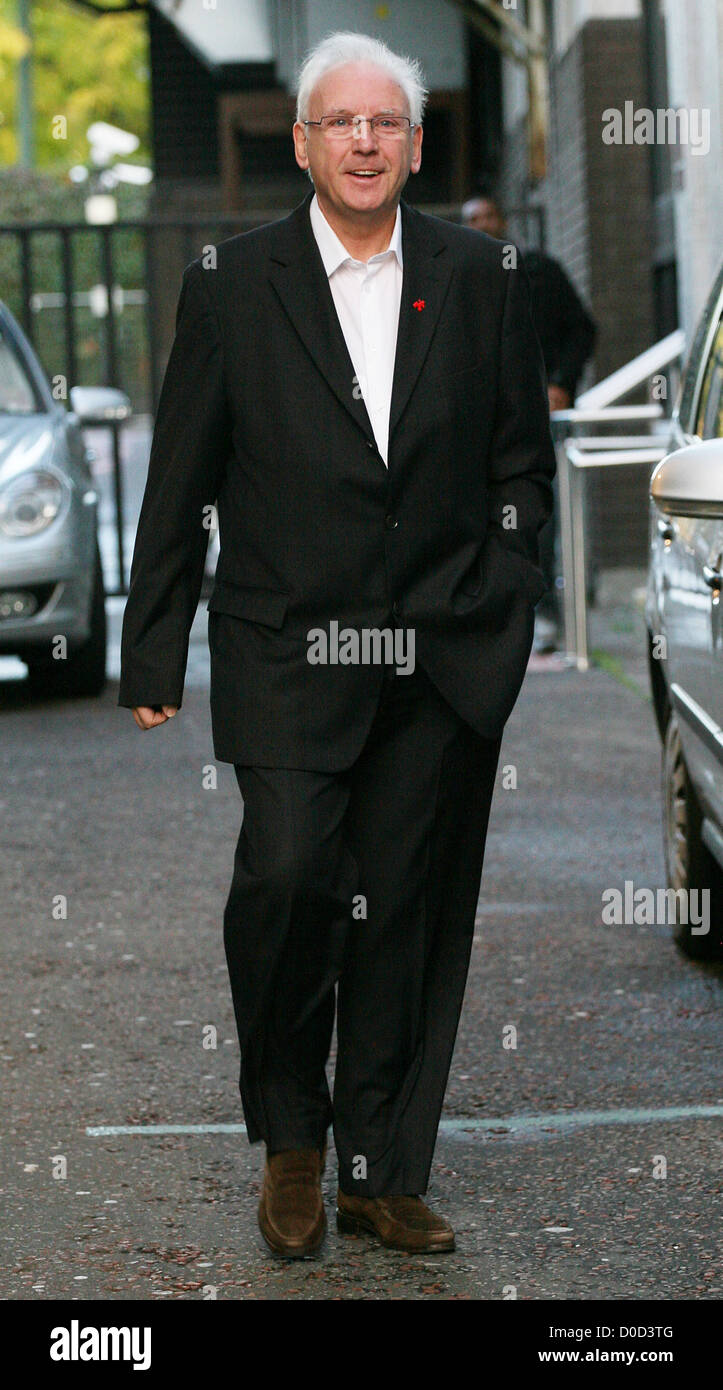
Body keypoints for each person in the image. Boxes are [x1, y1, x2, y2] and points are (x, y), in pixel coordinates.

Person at [119, 31, 555, 1259]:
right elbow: (183, 469)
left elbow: (522, 461)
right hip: (286, 647)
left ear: (414, 145)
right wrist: (153, 645)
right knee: (290, 877)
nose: (364, 141)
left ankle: (376, 1167)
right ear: (305, 143)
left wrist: (508, 589)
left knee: (404, 913)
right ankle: (293, 1142)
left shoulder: (483, 276)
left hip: (440, 651)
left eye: (386, 123)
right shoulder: (231, 281)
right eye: (339, 123)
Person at [463, 192, 596, 639]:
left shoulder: (539, 272)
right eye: (473, 219)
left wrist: (561, 382)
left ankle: (545, 614)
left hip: (537, 419)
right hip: (476, 424)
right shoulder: (452, 279)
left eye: (488, 216)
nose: (482, 224)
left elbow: (581, 329)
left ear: (502, 220)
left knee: (537, 517)